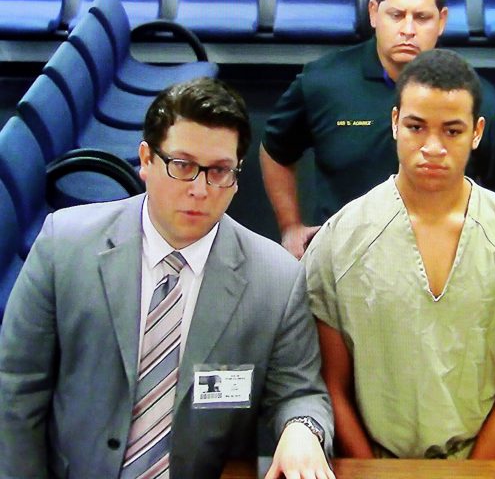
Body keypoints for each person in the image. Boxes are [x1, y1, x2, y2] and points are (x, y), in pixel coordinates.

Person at [0, 78, 335, 479]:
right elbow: (16, 389)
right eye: (183, 166)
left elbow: (300, 393)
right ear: (145, 159)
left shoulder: (276, 279)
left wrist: (303, 429)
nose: (199, 189)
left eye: (219, 171)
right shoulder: (65, 246)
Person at [303, 49, 495, 460]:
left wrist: (470, 475)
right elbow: (332, 386)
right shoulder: (340, 240)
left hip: (486, 465)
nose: (433, 147)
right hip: (373, 462)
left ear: (477, 132)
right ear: (394, 124)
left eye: (452, 131)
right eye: (416, 127)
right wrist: (376, 473)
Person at [260, 0, 495, 259]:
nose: (408, 30)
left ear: (441, 21)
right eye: (397, 15)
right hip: (341, 259)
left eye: (422, 17)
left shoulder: (479, 102)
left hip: (442, 269)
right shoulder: (323, 82)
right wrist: (290, 227)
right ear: (374, 14)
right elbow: (276, 150)